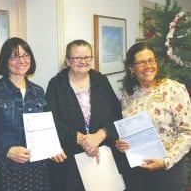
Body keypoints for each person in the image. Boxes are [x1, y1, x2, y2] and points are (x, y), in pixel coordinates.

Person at [0, 37, 63, 191]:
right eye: (14, 56)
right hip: (6, 169)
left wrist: (53, 148)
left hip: (38, 168)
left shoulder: (38, 91)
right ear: (5, 60)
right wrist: (7, 150)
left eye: (25, 55)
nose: (21, 60)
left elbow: (46, 128)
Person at [45, 39, 123, 191]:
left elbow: (116, 114)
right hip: (69, 161)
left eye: (87, 57)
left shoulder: (101, 81)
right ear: (68, 61)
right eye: (77, 58)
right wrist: (83, 140)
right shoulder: (56, 84)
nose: (83, 61)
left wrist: (100, 135)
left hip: (101, 155)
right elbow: (51, 119)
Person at [115, 41, 191, 191]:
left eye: (151, 60)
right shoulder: (128, 94)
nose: (148, 66)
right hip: (138, 172)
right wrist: (121, 143)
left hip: (170, 171)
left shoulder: (174, 89)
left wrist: (166, 161)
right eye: (141, 62)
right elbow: (127, 130)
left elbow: (188, 132)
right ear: (131, 68)